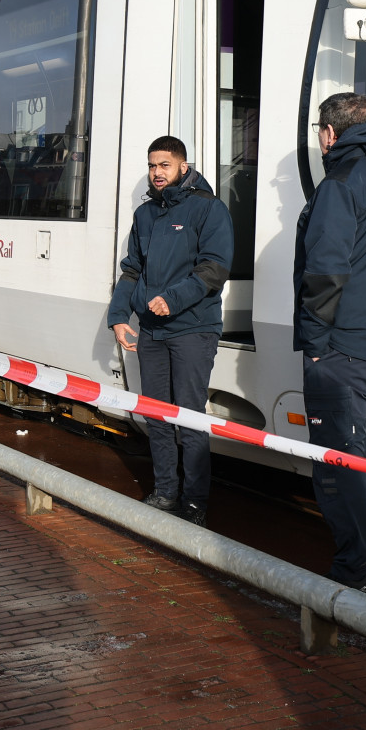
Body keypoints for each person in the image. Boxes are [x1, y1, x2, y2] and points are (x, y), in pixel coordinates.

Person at [295, 92, 366, 599]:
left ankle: (355, 569)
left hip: (343, 348)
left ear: (329, 133)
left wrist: (317, 344)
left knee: (339, 466)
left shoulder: (340, 182)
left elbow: (325, 271)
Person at [106, 135, 233, 526]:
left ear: (183, 166)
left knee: (189, 416)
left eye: (164, 165)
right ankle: (165, 493)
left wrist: (172, 300)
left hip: (193, 329)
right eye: (151, 166)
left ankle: (194, 502)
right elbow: (132, 269)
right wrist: (118, 315)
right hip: (152, 332)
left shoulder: (209, 209)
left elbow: (214, 269)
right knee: (156, 415)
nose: (157, 172)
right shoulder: (145, 215)